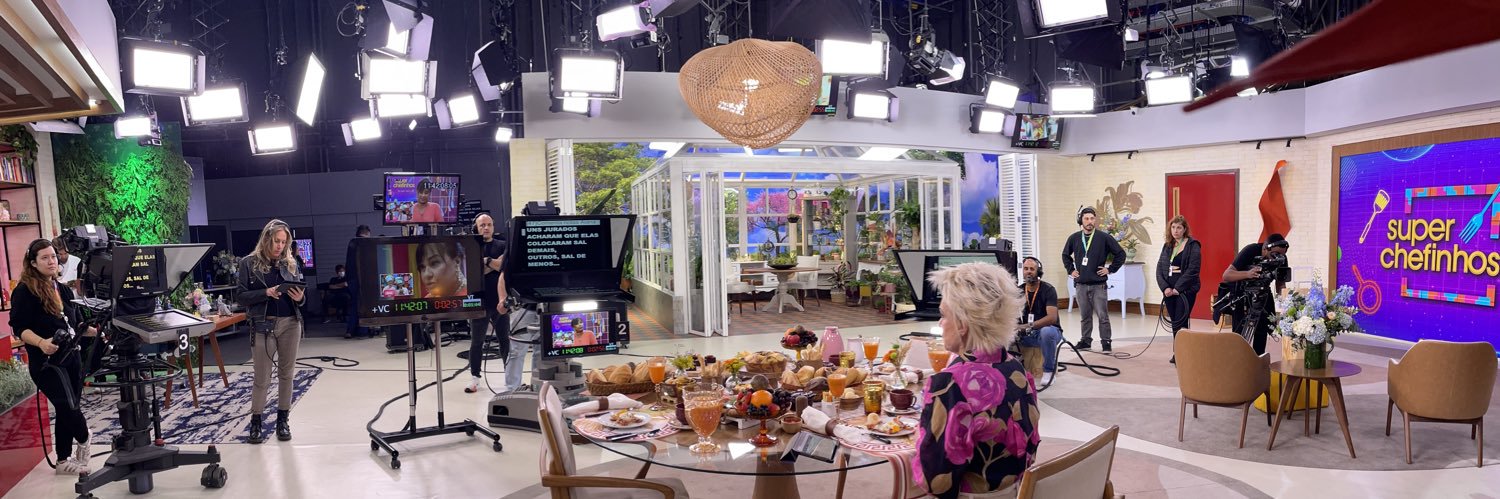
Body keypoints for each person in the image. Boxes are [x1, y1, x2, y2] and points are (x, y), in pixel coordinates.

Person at [914, 262, 1040, 498]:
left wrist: (921, 435)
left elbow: (935, 482)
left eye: (943, 315)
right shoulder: (1017, 370)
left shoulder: (949, 384)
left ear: (962, 323)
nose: (940, 323)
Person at [11, 239, 96, 475]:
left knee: (65, 408)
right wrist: (41, 342)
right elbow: (19, 328)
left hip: (72, 358)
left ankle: (62, 460)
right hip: (47, 363)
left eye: (53, 256)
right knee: (67, 405)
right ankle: (85, 437)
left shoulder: (63, 289)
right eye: (45, 258)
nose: (51, 261)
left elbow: (76, 323)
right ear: (33, 263)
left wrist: (95, 330)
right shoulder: (25, 291)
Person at [236, 219, 307, 444]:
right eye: (276, 241)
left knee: (287, 375)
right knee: (262, 377)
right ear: (267, 239)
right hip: (262, 325)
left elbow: (301, 297)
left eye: (284, 242)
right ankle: (256, 422)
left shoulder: (291, 263)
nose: (280, 246)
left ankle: (282, 421)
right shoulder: (248, 263)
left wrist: (300, 298)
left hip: (291, 324)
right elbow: (240, 297)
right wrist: (265, 293)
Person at [1060, 206, 1126, 351]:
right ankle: (1085, 341)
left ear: (1095, 220)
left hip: (1099, 285)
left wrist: (1110, 269)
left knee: (1103, 316)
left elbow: (1121, 254)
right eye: (1086, 219)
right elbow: (1065, 255)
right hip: (1081, 285)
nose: (1089, 221)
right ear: (1081, 221)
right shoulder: (1074, 238)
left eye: (1092, 218)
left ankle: (1106, 342)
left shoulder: (1104, 237)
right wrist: (1071, 270)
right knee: (1085, 316)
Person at [1222, 233, 1290, 355]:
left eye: (1282, 254)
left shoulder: (1281, 259)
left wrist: (1286, 302)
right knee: (1239, 335)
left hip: (1263, 294)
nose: (1277, 258)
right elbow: (1226, 275)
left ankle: (1258, 359)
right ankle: (1238, 360)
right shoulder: (1251, 250)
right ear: (1265, 249)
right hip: (1242, 295)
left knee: (1261, 331)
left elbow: (1280, 284)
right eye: (1274, 254)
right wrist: (1247, 274)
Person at [466, 214, 510, 394]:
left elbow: (504, 267)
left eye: (489, 224)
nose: (486, 228)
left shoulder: (503, 245)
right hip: (479, 302)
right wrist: (494, 263)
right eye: (482, 225)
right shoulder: (472, 247)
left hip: (500, 300)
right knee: (477, 341)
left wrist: (486, 261)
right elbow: (474, 272)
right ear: (476, 228)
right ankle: (475, 377)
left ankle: (510, 376)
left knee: (504, 339)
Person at [1156, 216, 1202, 364]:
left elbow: (1193, 270)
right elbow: (1159, 269)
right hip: (1169, 292)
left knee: (1181, 322)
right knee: (1175, 322)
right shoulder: (1167, 246)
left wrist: (1177, 288)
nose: (1175, 230)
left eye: (1179, 228)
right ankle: (1178, 352)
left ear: (1184, 229)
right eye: (1173, 227)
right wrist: (1165, 288)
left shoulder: (1193, 245)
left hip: (1185, 291)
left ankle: (1184, 354)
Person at [1015, 257, 1063, 386]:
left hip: (1048, 333)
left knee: (1046, 331)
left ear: (1038, 272)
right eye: (1026, 268)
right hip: (1026, 335)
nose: (1028, 271)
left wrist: (1028, 325)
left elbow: (1052, 318)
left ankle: (1048, 371)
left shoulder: (1048, 290)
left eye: (1032, 269)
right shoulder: (1018, 291)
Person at [345, 225, 373, 339]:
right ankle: (363, 330)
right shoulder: (365, 243)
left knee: (354, 305)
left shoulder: (352, 243)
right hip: (363, 279)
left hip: (351, 279)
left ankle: (350, 330)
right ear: (366, 233)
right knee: (364, 304)